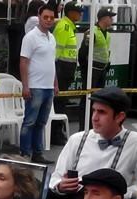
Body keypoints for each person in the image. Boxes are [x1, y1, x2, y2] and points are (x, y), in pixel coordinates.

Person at [48, 87, 137, 199]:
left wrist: (116, 195)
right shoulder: (77, 139)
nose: (95, 118)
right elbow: (55, 178)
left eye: (102, 112)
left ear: (120, 116)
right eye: (94, 111)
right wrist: (61, 186)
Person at [19, 3, 59, 164]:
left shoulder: (52, 38)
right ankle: (25, 154)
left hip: (48, 87)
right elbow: (23, 62)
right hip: (35, 86)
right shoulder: (30, 37)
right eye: (45, 17)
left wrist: (55, 83)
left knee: (41, 122)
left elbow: (52, 62)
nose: (48, 20)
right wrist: (25, 86)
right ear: (39, 17)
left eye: (51, 18)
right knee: (29, 122)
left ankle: (37, 153)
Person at [53, 1, 81, 132]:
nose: (80, 14)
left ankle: (58, 131)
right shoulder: (64, 27)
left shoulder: (69, 27)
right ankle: (56, 133)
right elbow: (55, 54)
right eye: (78, 11)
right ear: (70, 13)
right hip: (61, 71)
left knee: (61, 103)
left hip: (65, 71)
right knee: (58, 104)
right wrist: (55, 77)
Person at [79, 7, 114, 91]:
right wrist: (86, 69)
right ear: (103, 18)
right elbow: (82, 53)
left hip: (102, 70)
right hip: (92, 70)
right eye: (110, 17)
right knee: (87, 97)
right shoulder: (92, 32)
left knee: (98, 96)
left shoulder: (107, 33)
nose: (112, 19)